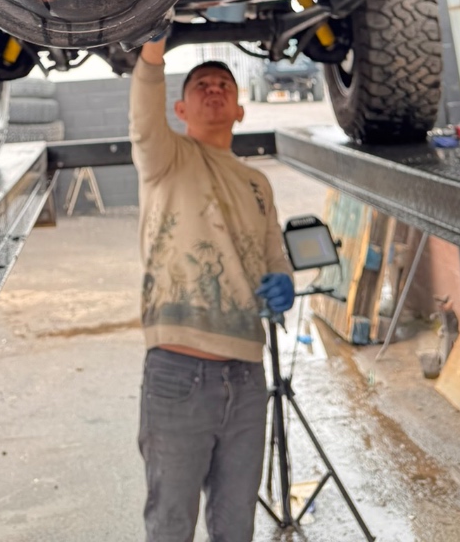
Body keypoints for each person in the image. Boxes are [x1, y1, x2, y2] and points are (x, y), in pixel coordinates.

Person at [129, 36, 295, 542]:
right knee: (171, 524)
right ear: (180, 110)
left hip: (247, 376)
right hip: (179, 372)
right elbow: (144, 114)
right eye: (202, 84)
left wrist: (284, 281)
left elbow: (274, 255)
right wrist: (152, 47)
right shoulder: (165, 159)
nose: (215, 89)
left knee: (236, 525)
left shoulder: (257, 184)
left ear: (241, 109)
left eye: (225, 84)